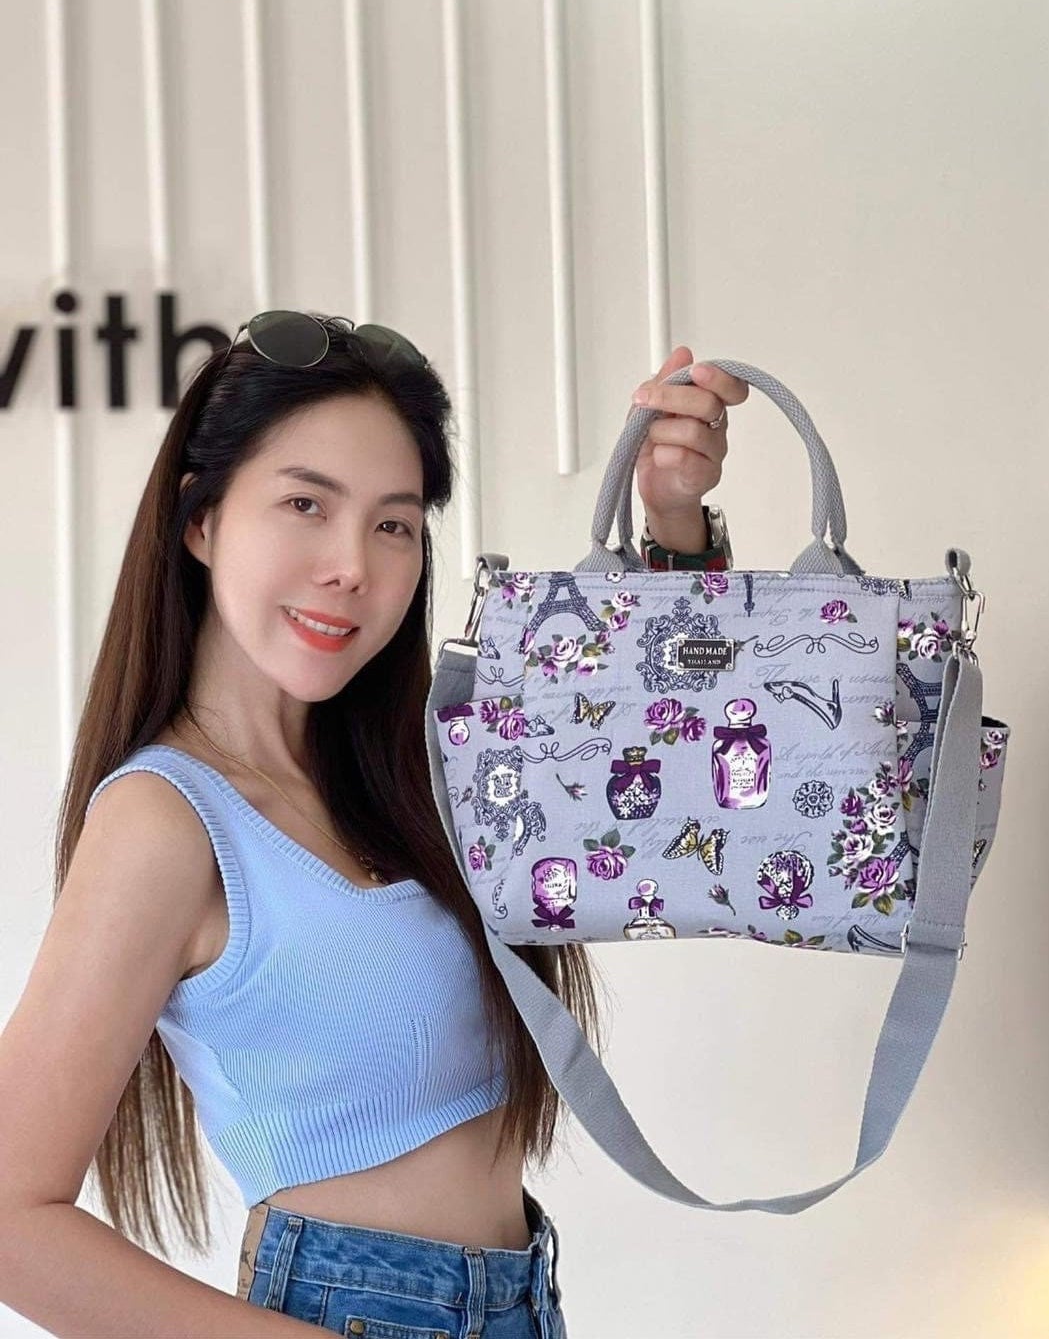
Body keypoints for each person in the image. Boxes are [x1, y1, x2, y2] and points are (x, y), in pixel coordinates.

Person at [0, 312, 746, 1337]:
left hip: (522, 1299)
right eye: (306, 502)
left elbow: (673, 782)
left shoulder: (415, 769)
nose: (352, 564)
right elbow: (10, 1215)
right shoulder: (166, 821)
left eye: (393, 522)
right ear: (201, 521)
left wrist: (671, 522)